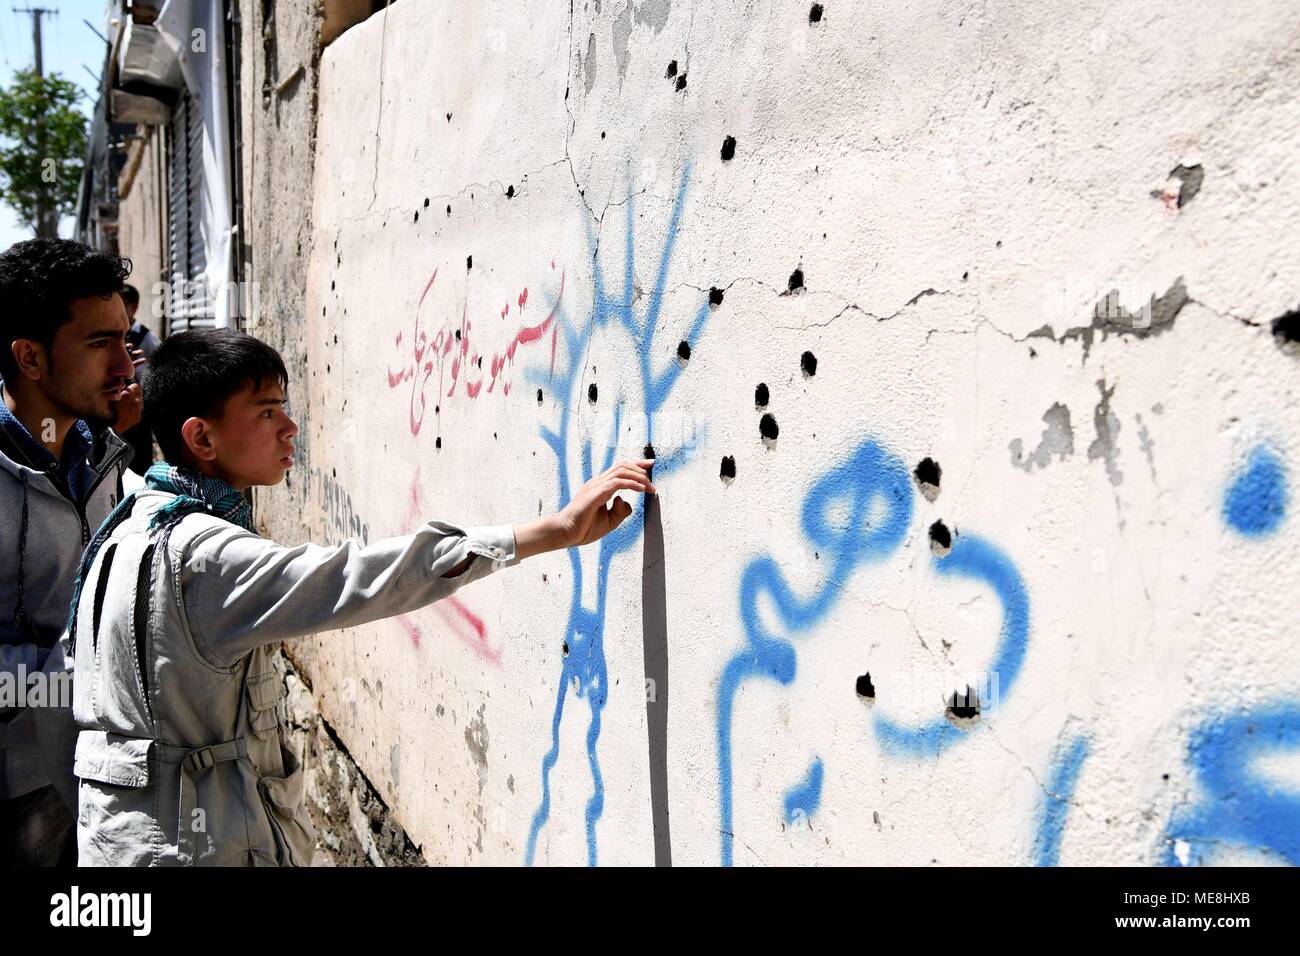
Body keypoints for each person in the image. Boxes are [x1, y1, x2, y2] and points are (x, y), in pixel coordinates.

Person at [62, 327, 655, 866]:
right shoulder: (205, 556)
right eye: (267, 413)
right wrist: (554, 532)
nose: (289, 429)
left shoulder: (130, 520)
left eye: (284, 409)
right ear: (202, 437)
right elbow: (361, 578)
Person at [0, 239, 142, 866]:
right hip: (18, 783)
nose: (125, 366)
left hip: (99, 767)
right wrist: (68, 671)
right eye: (98, 343)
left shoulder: (101, 454)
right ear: (29, 358)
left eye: (124, 337)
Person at [118, 284, 162, 477]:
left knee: (140, 456)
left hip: (140, 406)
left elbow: (162, 365)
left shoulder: (146, 337)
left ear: (133, 307)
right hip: (120, 404)